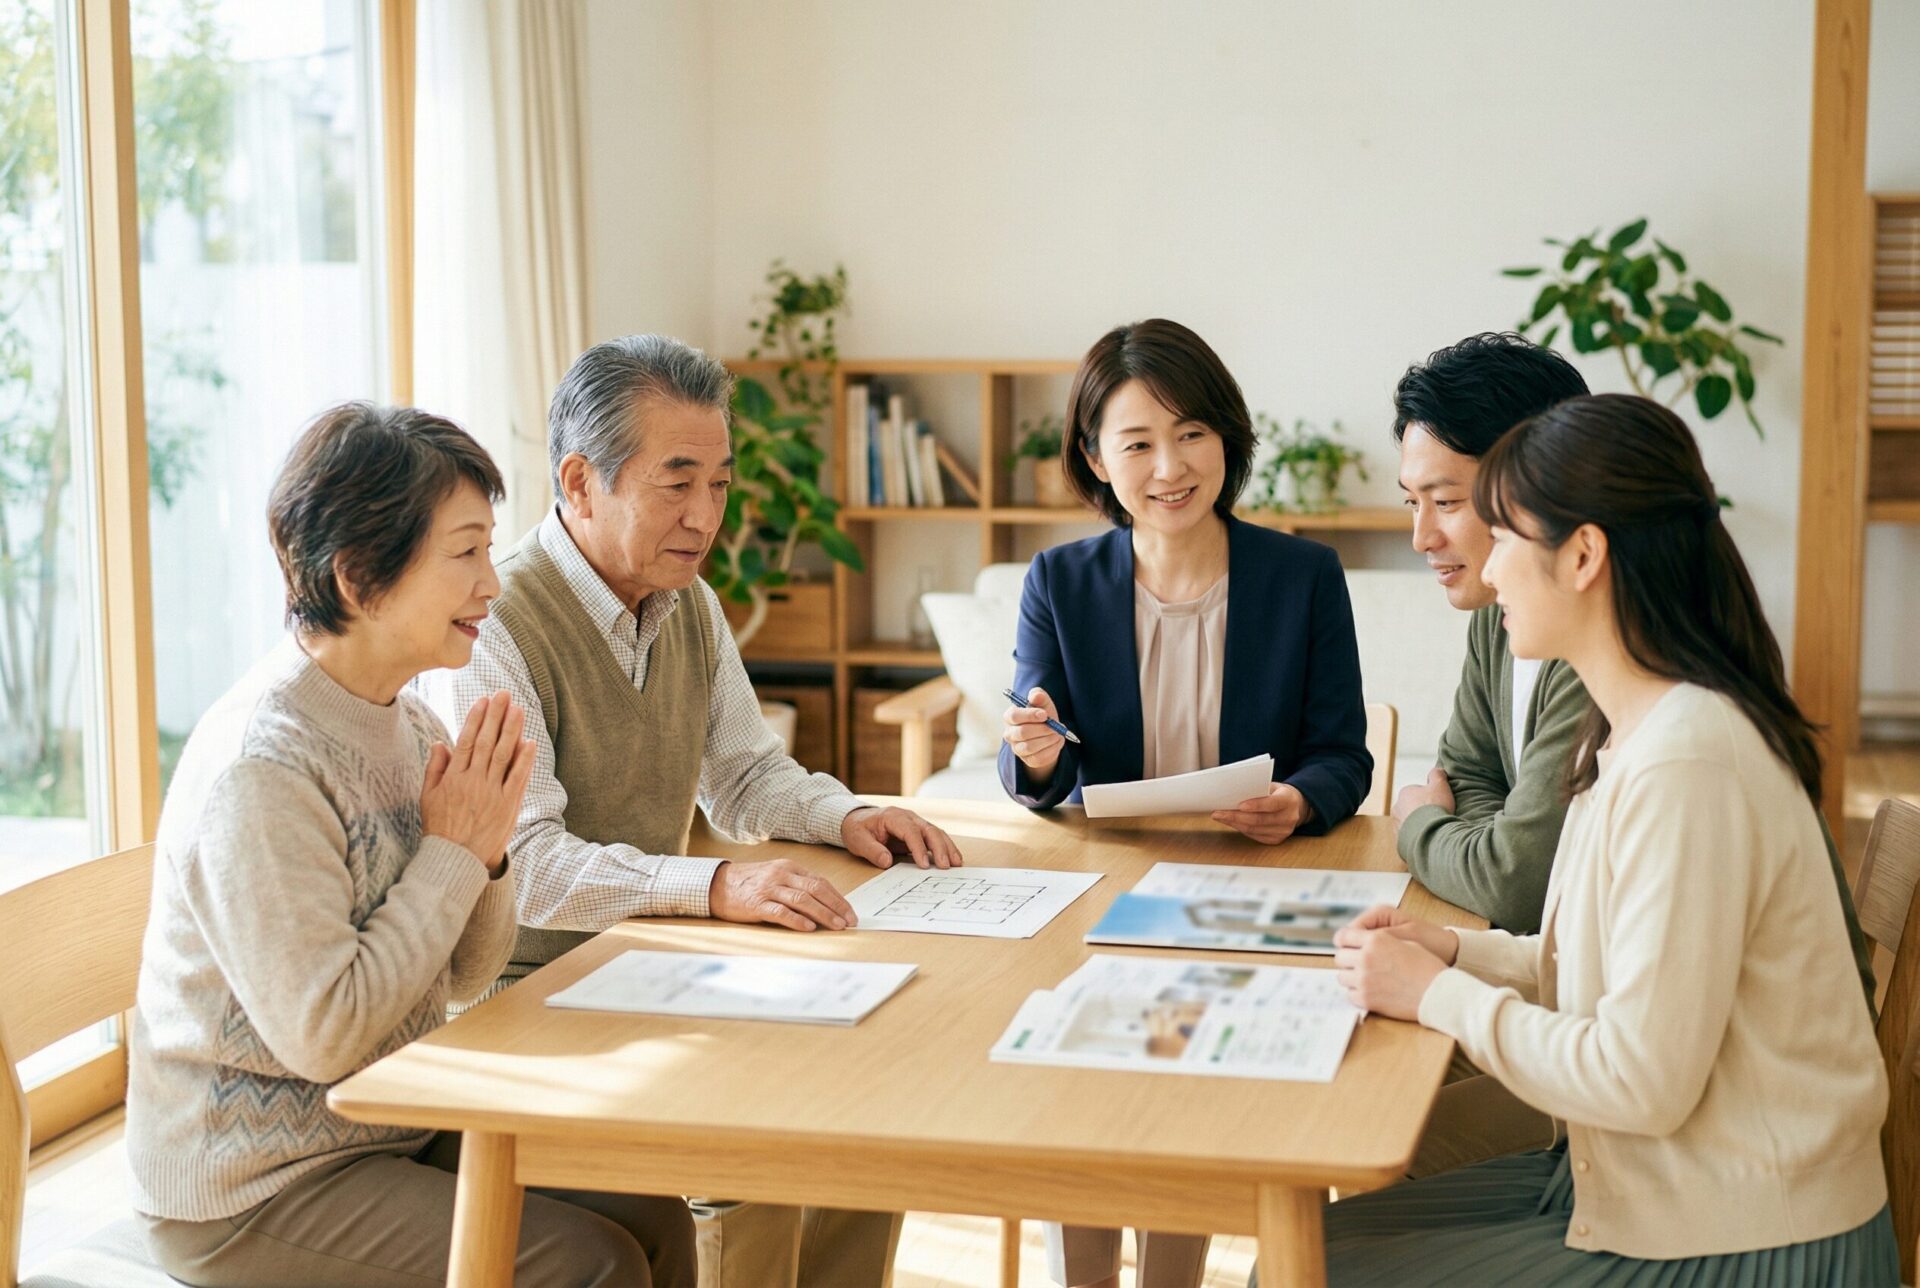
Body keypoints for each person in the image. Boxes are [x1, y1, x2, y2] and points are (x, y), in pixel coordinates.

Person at [1318, 394, 1896, 1285]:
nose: (1491, 569)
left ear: (1584, 554)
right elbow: (1618, 972)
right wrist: (1457, 951)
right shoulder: (1636, 727)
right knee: (1308, 1251)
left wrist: (1436, 994)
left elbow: (1639, 1078)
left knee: (1310, 1269)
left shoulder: (1687, 761)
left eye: (1505, 536)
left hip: (1749, 1235)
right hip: (1654, 1188)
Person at [128, 404, 696, 1287]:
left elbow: (461, 978)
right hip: (254, 1186)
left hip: (388, 1127)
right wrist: (456, 855)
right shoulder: (262, 770)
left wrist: (491, 853)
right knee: (591, 1266)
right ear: (359, 578)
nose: (493, 585)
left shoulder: (411, 724)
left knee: (651, 1216)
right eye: (465, 553)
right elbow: (328, 1035)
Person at [429, 334, 953, 1288]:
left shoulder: (693, 606)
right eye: (677, 483)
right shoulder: (496, 629)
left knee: (865, 1118)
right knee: (758, 1146)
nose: (706, 515)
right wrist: (714, 883)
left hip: (647, 966)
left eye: (718, 483)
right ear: (581, 483)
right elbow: (532, 862)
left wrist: (846, 817)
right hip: (521, 994)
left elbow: (747, 776)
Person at [1000, 319, 1371, 1288]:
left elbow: (1344, 753)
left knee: (1194, 1107)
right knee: (1080, 1090)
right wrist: (1037, 756)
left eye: (1194, 432)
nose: (1171, 464)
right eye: (1138, 442)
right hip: (1103, 892)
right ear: (1095, 457)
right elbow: (1032, 769)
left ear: (1229, 439)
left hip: (1249, 889)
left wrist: (1298, 798)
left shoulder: (1303, 576)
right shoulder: (1059, 581)